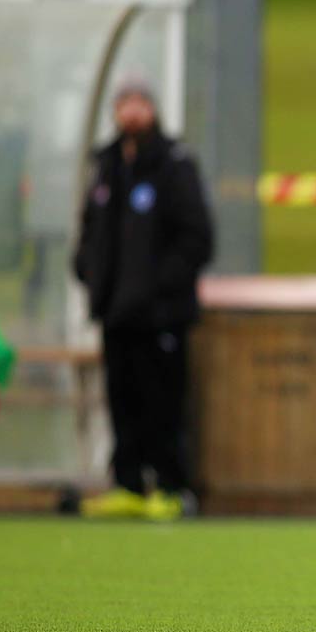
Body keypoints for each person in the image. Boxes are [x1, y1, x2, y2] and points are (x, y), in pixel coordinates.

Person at [72, 79, 215, 522]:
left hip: (160, 313)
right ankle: (129, 483)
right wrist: (88, 272)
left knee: (163, 404)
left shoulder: (174, 165)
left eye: (140, 105)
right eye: (124, 105)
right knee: (122, 401)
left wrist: (156, 286)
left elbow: (197, 239)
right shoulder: (108, 165)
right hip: (116, 312)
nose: (132, 114)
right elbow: (92, 231)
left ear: (153, 110)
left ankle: (172, 487)